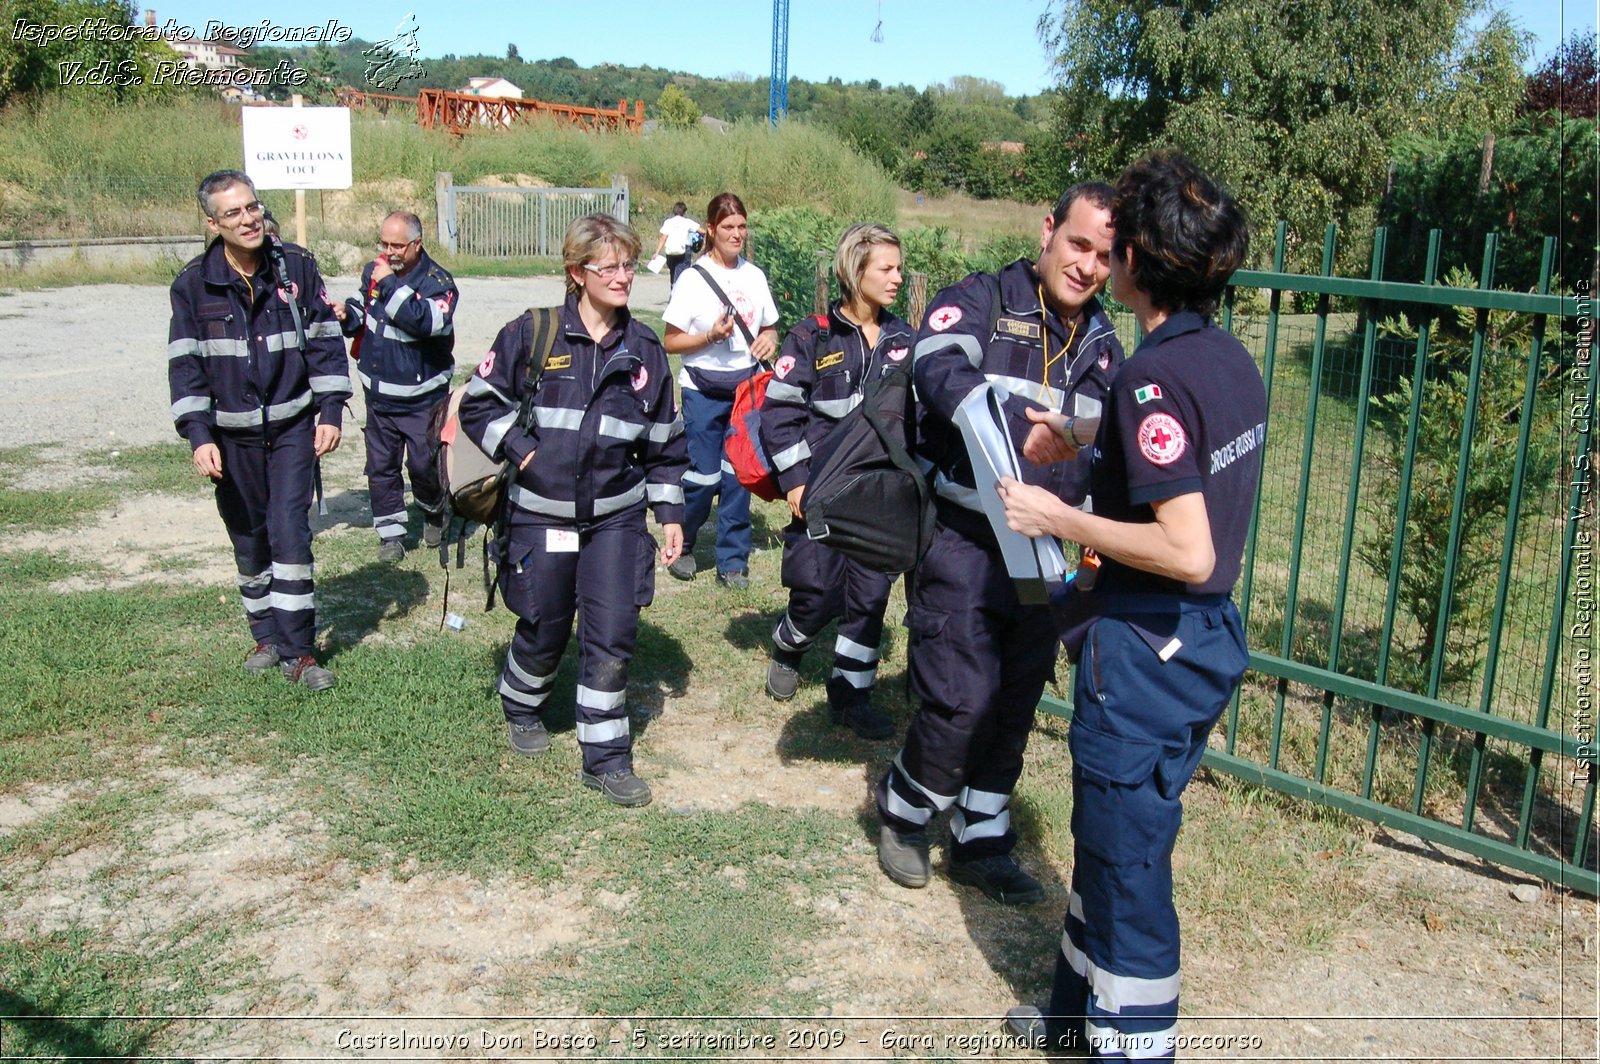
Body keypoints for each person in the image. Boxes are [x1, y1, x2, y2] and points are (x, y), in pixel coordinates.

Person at [998, 153, 1262, 1060]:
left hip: (1148, 654)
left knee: (1128, 866)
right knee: (1108, 841)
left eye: (1117, 245)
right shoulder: (1221, 358)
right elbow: (1173, 443)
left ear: (1136, 263)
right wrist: (1080, 430)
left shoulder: (1152, 376)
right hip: (1195, 650)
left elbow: (1189, 548)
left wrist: (1058, 512)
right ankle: (1074, 1017)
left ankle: (1134, 1043)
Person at [874, 182, 1125, 903]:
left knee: (1015, 699)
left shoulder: (1105, 341)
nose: (1088, 266)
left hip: (1046, 551)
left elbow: (1110, 449)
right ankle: (903, 808)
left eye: (1105, 256)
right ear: (1048, 231)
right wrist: (1001, 421)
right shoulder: (984, 297)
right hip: (964, 538)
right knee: (963, 696)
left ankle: (982, 836)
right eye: (1079, 245)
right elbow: (935, 365)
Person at [457, 213, 687, 807]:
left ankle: (605, 757)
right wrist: (522, 450)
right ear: (576, 273)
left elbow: (665, 442)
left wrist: (671, 514)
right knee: (546, 623)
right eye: (607, 266)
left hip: (615, 519)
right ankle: (521, 701)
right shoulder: (532, 333)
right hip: (541, 513)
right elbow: (479, 404)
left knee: (611, 634)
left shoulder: (645, 350)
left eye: (628, 265)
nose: (621, 276)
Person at [167, 169, 351, 690]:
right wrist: (199, 434)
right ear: (212, 223)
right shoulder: (191, 285)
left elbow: (323, 340)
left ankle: (299, 652)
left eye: (252, 207)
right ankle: (266, 635)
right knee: (248, 539)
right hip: (230, 437)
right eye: (233, 213)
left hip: (292, 426)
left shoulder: (295, 267)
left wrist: (331, 409)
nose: (249, 219)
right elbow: (186, 365)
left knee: (289, 531)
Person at [758, 223, 915, 739]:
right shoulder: (812, 336)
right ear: (855, 271)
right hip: (820, 493)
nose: (898, 277)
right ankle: (790, 642)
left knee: (869, 599)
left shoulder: (905, 342)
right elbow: (778, 413)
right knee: (817, 592)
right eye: (886, 268)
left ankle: (852, 694)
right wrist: (797, 481)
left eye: (899, 267)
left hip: (879, 498)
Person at [661, 192, 780, 589]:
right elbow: (671, 341)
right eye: (728, 227)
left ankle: (732, 562)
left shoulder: (754, 276)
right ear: (711, 229)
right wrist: (709, 336)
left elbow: (769, 326)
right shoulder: (692, 280)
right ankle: (685, 542)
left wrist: (769, 340)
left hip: (744, 390)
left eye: (742, 227)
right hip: (701, 390)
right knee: (704, 477)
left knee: (738, 476)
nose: (736, 234)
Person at [331, 210, 458, 562]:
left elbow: (422, 322)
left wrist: (389, 283)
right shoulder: (376, 272)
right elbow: (367, 311)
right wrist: (348, 315)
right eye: (383, 243)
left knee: (424, 466)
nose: (388, 252)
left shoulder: (439, 283)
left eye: (397, 245)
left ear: (417, 244)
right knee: (381, 467)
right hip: (379, 398)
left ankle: (433, 511)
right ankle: (391, 536)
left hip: (422, 401)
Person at [652, 201, 702, 286]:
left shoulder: (668, 222)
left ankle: (673, 291)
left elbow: (663, 237)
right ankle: (678, 293)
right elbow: (702, 231)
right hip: (684, 251)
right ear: (684, 211)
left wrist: (657, 252)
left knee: (673, 272)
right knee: (682, 274)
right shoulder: (687, 222)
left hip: (670, 251)